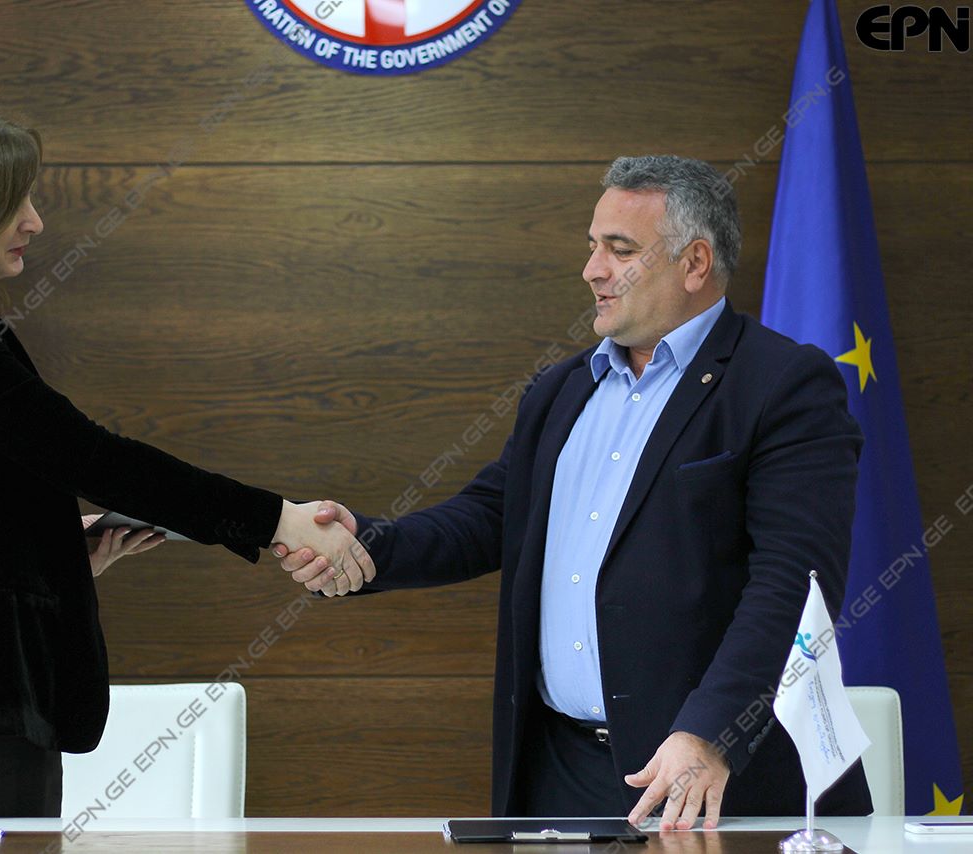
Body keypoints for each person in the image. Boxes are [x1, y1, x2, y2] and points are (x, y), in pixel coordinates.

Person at [276, 155, 873, 828]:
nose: (592, 269)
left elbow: (794, 583)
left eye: (620, 250)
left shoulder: (783, 384)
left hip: (709, 779)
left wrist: (713, 731)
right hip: (559, 774)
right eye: (593, 246)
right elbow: (488, 518)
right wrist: (365, 546)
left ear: (695, 263)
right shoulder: (560, 389)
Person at [0, 98, 368, 818]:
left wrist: (53, 551)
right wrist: (276, 520)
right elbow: (87, 457)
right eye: (13, 202)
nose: (34, 222)